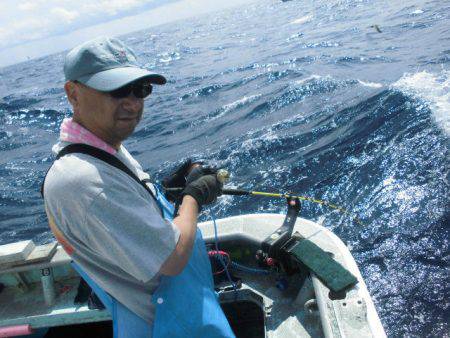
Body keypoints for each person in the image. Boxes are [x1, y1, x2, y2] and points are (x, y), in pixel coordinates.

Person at [42, 36, 234, 337]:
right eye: (116, 90)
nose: (132, 103)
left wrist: (168, 189)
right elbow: (172, 258)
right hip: (165, 325)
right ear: (73, 93)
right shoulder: (82, 180)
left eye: (140, 89)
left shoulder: (99, 146)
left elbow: (123, 200)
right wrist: (193, 196)